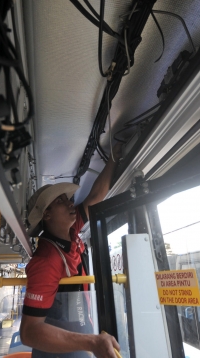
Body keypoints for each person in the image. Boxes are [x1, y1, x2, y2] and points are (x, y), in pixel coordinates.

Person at [20, 145, 122, 358]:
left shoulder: (70, 232)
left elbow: (95, 196)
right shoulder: (46, 261)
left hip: (77, 342)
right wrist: (93, 342)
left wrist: (114, 156)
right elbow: (29, 332)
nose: (70, 202)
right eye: (61, 200)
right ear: (46, 215)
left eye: (67, 198)